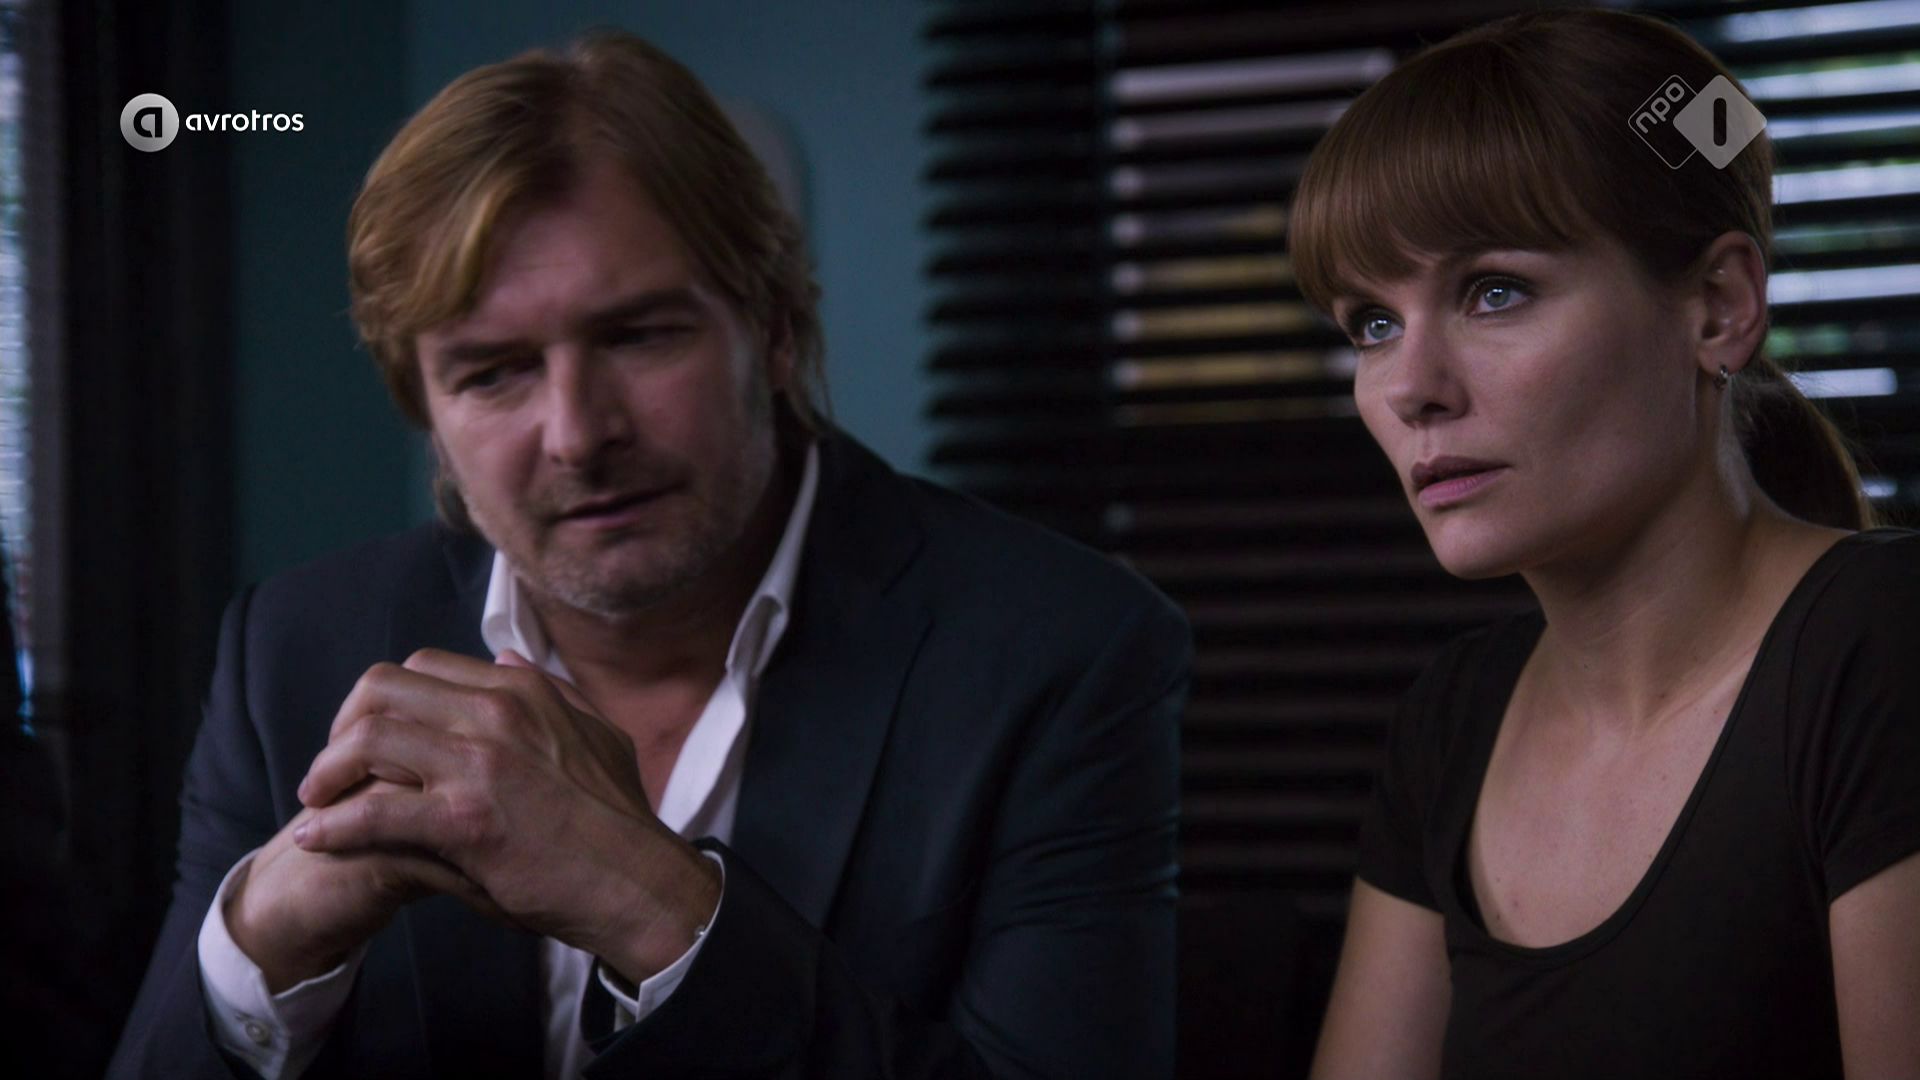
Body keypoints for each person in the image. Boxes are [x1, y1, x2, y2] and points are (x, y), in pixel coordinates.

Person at [108, 31, 1188, 1080]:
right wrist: (261, 950)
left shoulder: (1056, 649)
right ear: (427, 412)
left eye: (638, 336)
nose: (578, 434)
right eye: (492, 373)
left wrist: (642, 897)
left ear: (774, 329)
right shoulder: (293, 652)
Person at [1286, 10, 1920, 1080]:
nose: (1409, 388)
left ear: (1718, 309)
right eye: (1372, 324)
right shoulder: (1456, 717)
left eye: (1494, 291)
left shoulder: (1883, 644)